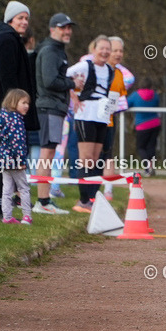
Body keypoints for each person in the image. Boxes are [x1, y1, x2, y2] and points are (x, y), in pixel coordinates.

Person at [0, 1, 39, 221]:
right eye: (20, 18)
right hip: (9, 114)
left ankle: (8, 203)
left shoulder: (10, 39)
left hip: (11, 111)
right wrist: (17, 109)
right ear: (10, 19)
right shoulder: (6, 40)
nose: (24, 22)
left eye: (26, 18)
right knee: (5, 160)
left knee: (11, 160)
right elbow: (9, 80)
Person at [34, 13, 82, 214]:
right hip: (49, 107)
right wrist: (73, 83)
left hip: (54, 107)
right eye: (63, 27)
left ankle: (44, 201)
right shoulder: (51, 51)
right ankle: (43, 202)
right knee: (47, 153)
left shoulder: (57, 51)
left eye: (69, 27)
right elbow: (50, 81)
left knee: (49, 152)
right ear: (52, 29)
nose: (67, 31)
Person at [65, 35, 115, 213]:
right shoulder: (85, 65)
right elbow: (65, 75)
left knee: (96, 158)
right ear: (93, 49)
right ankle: (83, 200)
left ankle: (93, 198)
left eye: (107, 49)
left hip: (102, 116)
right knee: (85, 158)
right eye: (101, 48)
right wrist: (74, 96)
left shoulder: (110, 70)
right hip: (85, 114)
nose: (105, 52)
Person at [100, 36, 133, 199]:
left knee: (108, 155)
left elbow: (120, 96)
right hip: (94, 120)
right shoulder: (99, 70)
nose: (118, 54)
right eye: (115, 50)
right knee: (92, 156)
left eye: (121, 51)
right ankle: (87, 193)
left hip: (111, 120)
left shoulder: (119, 73)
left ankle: (108, 190)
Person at [0, 88, 33, 225]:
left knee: (7, 188)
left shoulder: (4, 118)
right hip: (15, 160)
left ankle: (6, 216)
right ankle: (27, 216)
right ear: (13, 102)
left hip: (4, 159)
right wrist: (21, 160)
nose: (26, 106)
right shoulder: (16, 120)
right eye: (23, 102)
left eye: (27, 103)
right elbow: (18, 142)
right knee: (23, 188)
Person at [127, 78, 161, 176]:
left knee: (141, 147)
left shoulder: (135, 95)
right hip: (155, 124)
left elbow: (126, 104)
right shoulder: (155, 95)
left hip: (142, 125)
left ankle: (147, 167)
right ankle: (151, 167)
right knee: (151, 146)